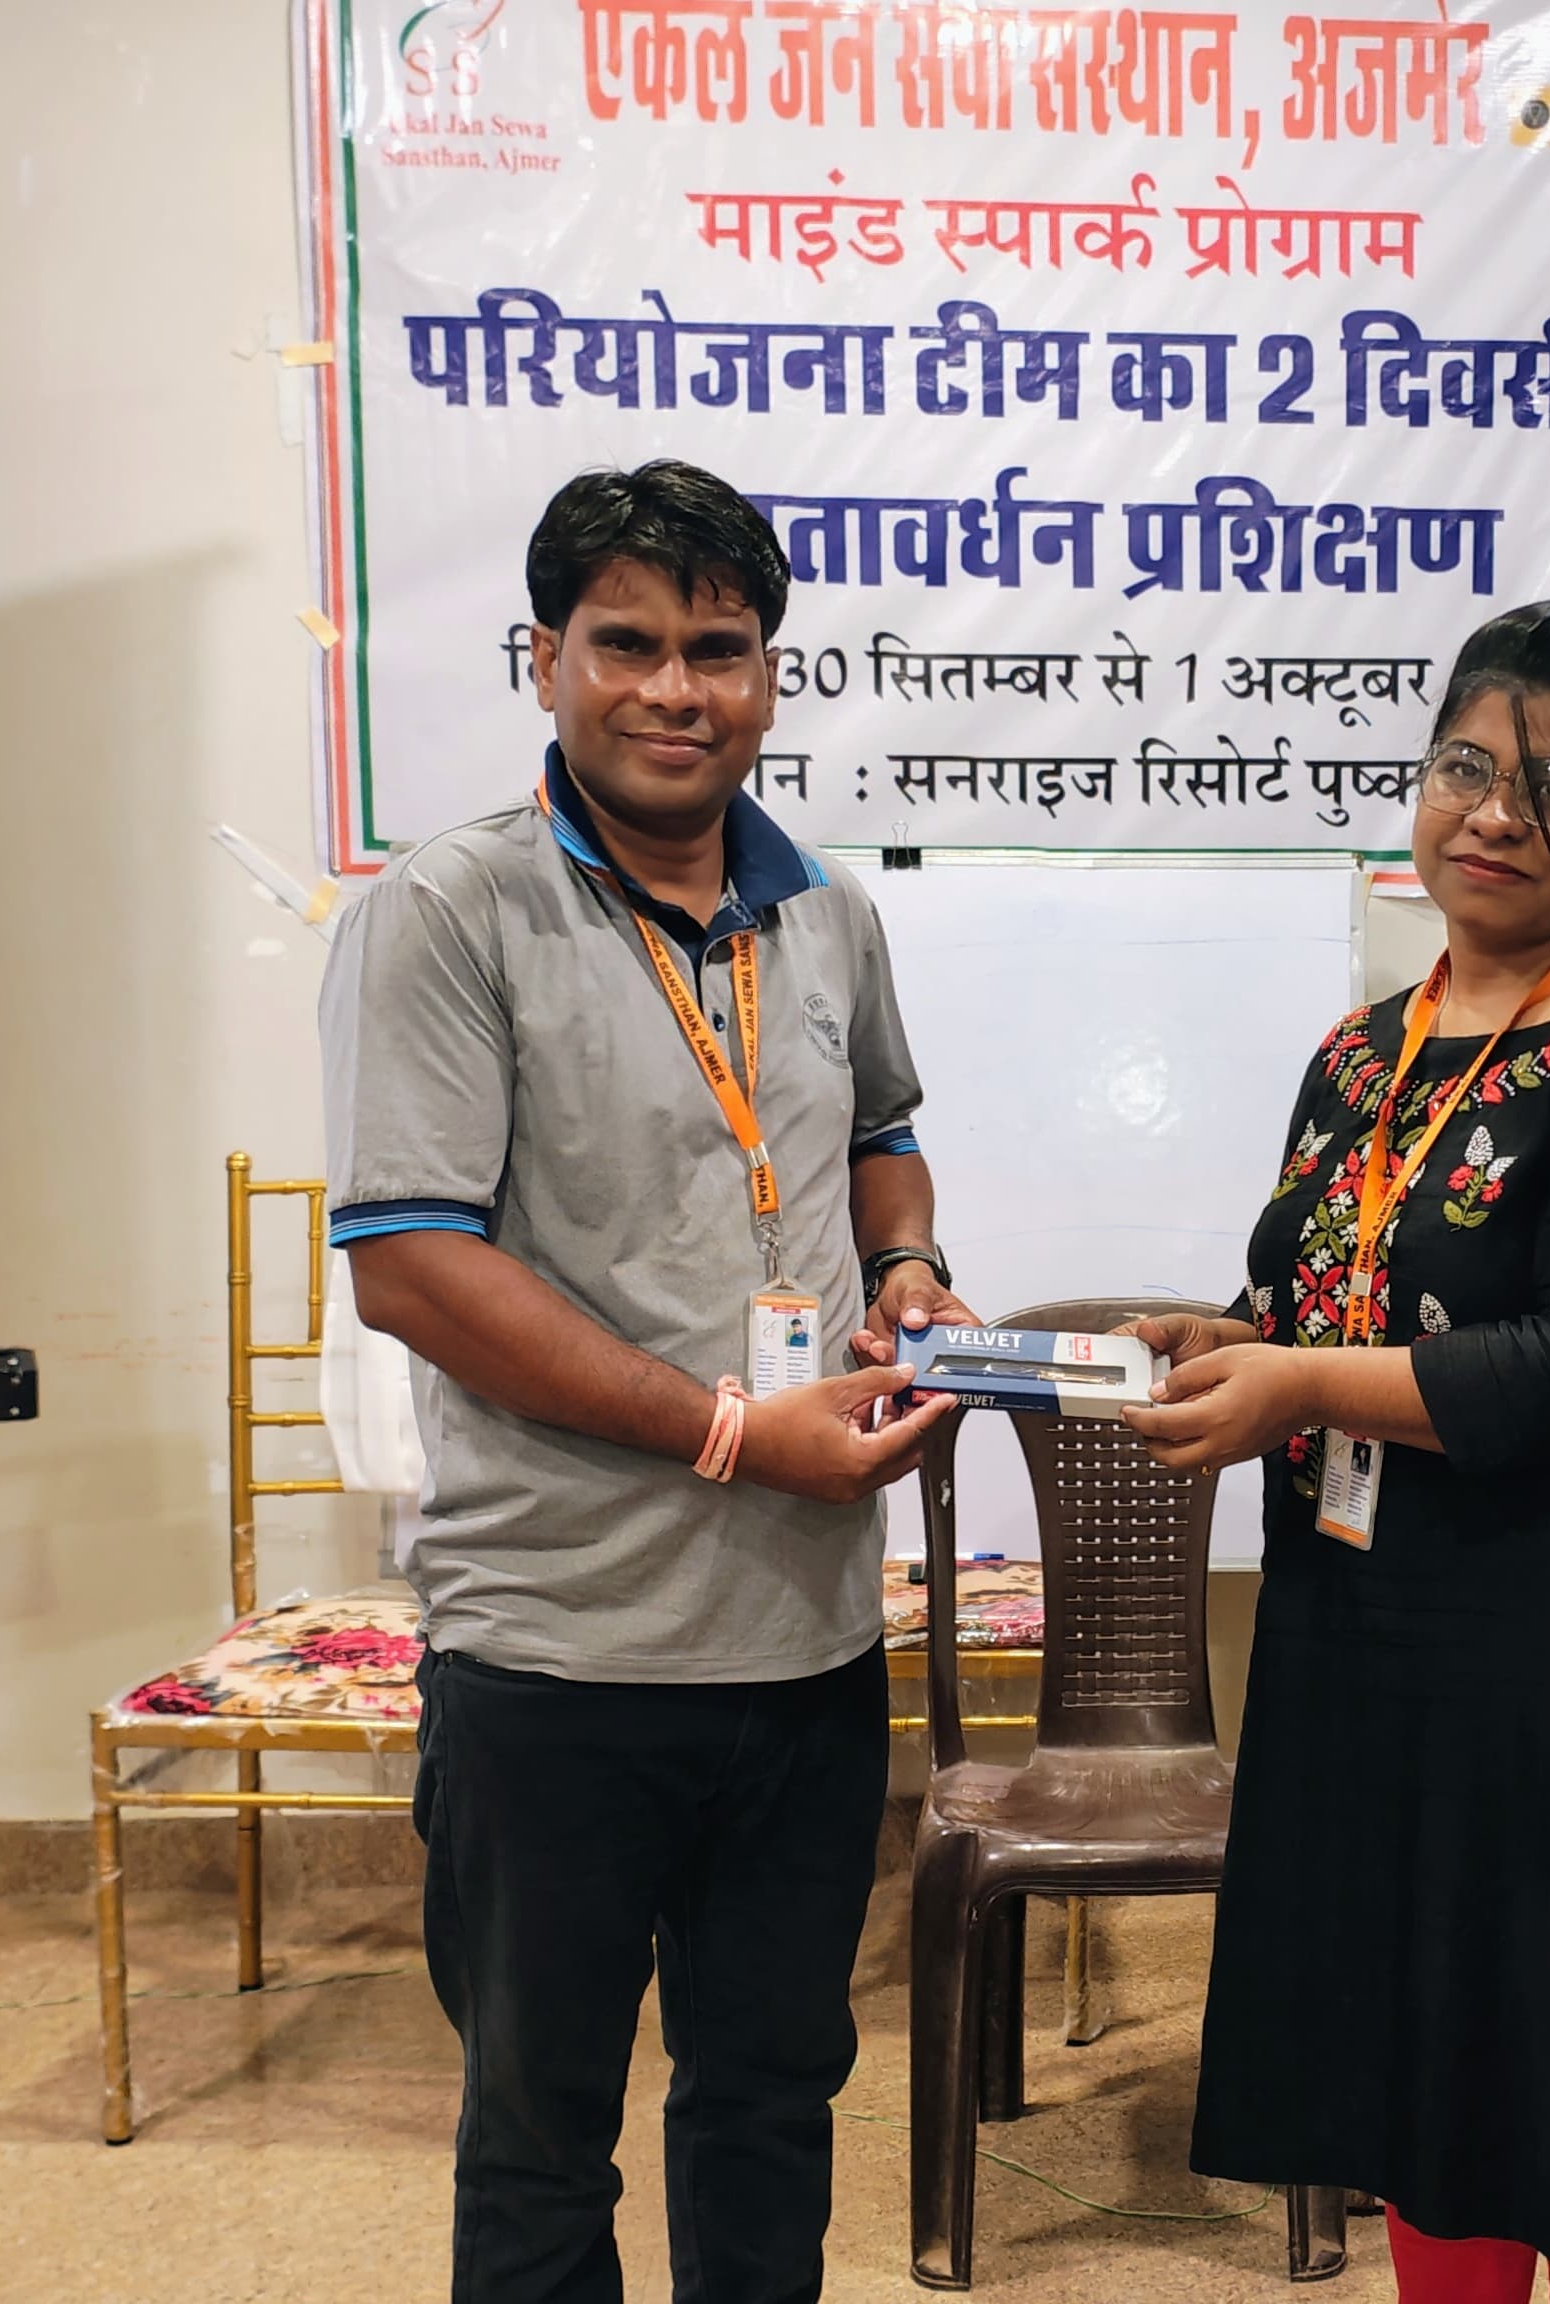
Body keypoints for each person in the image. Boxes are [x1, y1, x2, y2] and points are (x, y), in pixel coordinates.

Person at [320, 458, 978, 2304]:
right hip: (559, 1658)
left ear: (770, 673)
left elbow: (882, 1136)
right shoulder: (450, 911)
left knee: (772, 2101)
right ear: (543, 659)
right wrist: (730, 1432)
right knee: (543, 2135)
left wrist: (908, 1269)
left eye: (719, 648)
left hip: (807, 1647)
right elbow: (410, 1268)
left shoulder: (825, 910)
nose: (675, 690)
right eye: (627, 644)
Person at [1137, 600, 1550, 2304]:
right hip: (1371, 1637)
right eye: (1464, 767)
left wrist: (1301, 1384)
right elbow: (1328, 1294)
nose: (1494, 814)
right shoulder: (1360, 1053)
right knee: (1425, 2069)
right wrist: (1228, 1338)